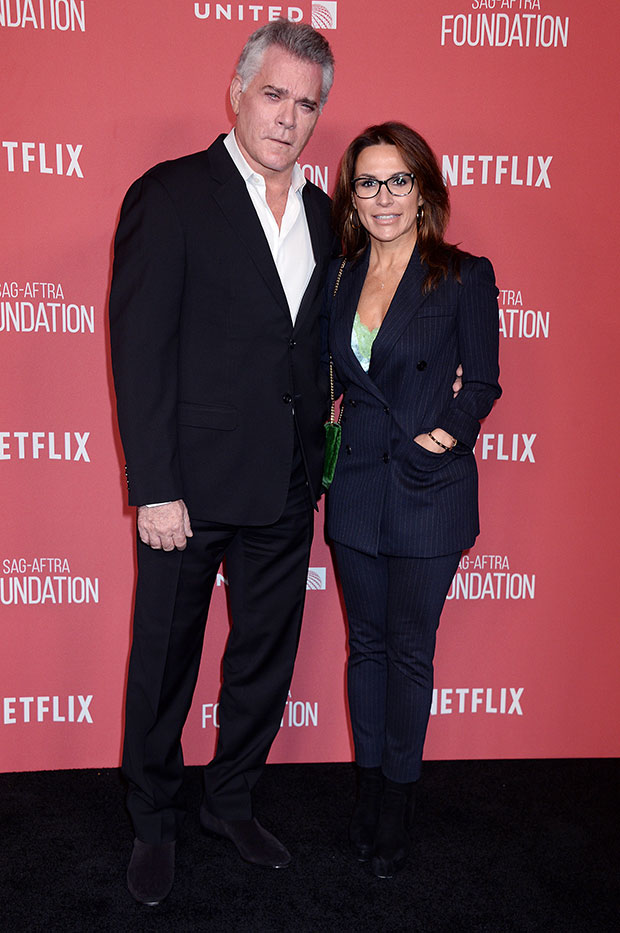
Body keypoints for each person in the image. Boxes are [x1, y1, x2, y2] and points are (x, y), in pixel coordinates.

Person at [108, 21, 334, 906]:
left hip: (285, 481)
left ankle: (230, 799)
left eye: (305, 104)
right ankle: (154, 817)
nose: (287, 117)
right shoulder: (169, 195)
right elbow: (140, 350)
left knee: (264, 658)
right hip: (189, 489)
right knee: (165, 658)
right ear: (238, 92)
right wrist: (155, 486)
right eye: (273, 94)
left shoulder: (324, 213)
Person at [325, 122, 501, 879]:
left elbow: (483, 381)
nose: (384, 197)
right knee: (365, 647)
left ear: (424, 190)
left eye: (398, 180)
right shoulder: (339, 276)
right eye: (368, 182)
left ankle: (398, 797)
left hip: (427, 489)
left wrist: (444, 437)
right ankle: (367, 787)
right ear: (352, 197)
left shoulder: (461, 275)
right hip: (357, 488)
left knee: (408, 650)